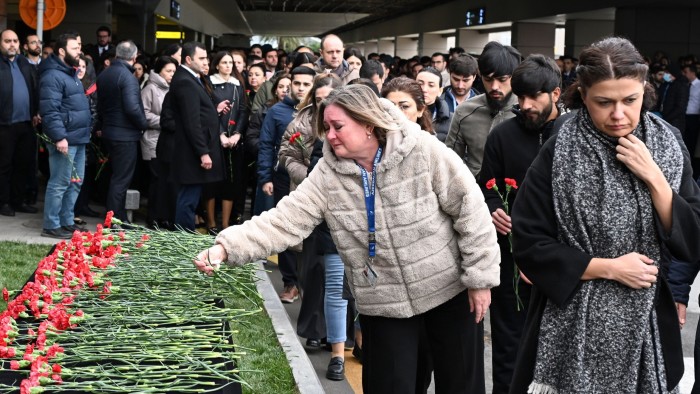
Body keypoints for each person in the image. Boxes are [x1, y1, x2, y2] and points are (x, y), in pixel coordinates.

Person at [194, 84, 500, 393]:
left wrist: (480, 278)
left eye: (338, 126)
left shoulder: (421, 148)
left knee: (461, 383)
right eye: (326, 127)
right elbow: (284, 220)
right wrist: (225, 248)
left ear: (368, 124)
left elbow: (470, 209)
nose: (330, 135)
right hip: (383, 302)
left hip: (449, 292)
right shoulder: (328, 173)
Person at [510, 37, 700, 394]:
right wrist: (608, 267)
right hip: (567, 323)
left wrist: (656, 180)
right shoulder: (560, 147)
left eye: (630, 100)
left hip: (649, 326)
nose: (618, 114)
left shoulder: (668, 144)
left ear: (644, 90)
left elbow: (694, 239)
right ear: (582, 96)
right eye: (604, 102)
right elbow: (529, 241)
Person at [479, 54, 564, 394]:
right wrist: (494, 207)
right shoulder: (502, 135)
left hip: (561, 264)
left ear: (556, 94)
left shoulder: (573, 135)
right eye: (521, 97)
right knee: (508, 349)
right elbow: (486, 186)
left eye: (535, 98)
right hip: (510, 263)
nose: (526, 105)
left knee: (556, 353)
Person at [277, 73, 346, 380]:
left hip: (343, 223)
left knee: (337, 287)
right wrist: (309, 179)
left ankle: (338, 346)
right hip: (310, 204)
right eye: (318, 100)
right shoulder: (302, 122)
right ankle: (317, 331)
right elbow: (285, 154)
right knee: (313, 274)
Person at [258, 66, 315, 303]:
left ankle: (309, 284)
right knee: (287, 228)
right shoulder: (277, 111)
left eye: (306, 84)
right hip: (283, 178)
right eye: (297, 83)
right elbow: (265, 144)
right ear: (290, 84)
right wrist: (265, 177)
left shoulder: (320, 111)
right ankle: (290, 283)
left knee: (311, 233)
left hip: (313, 181)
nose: (301, 88)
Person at [38, 33, 91, 238]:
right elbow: (50, 111)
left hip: (78, 138)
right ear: (62, 51)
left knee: (75, 182)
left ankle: (67, 221)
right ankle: (51, 225)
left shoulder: (71, 73)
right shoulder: (52, 75)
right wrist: (60, 137)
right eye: (75, 48)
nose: (79, 51)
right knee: (59, 183)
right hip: (65, 139)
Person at [168, 41, 225, 231]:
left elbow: (197, 113)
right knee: (188, 199)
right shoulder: (185, 81)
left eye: (206, 58)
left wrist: (213, 111)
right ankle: (182, 240)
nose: (205, 62)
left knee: (190, 196)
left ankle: (183, 238)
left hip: (192, 149)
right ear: (188, 59)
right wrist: (203, 152)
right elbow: (191, 122)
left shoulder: (192, 78)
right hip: (192, 152)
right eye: (201, 58)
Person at [445, 41, 521, 178]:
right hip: (474, 191)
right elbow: (450, 162)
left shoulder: (527, 111)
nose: (494, 86)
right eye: (488, 79)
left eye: (502, 79)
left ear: (514, 76)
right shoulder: (465, 111)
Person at [97, 40, 148, 224]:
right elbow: (133, 109)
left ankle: (117, 217)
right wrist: (143, 124)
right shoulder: (128, 77)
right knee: (121, 180)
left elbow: (100, 106)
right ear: (134, 58)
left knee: (116, 177)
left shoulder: (105, 74)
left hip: (109, 131)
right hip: (125, 135)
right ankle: (114, 220)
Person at [203, 51, 249, 233]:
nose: (229, 66)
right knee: (211, 183)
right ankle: (211, 223)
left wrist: (237, 134)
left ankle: (225, 224)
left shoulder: (238, 85)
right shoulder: (209, 83)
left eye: (231, 62)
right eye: (224, 62)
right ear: (217, 65)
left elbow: (244, 111)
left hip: (234, 142)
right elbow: (207, 113)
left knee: (231, 183)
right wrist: (220, 134)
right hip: (214, 141)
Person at [0, 29, 40, 217]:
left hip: (26, 123)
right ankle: (4, 202)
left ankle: (18, 200)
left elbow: (34, 88)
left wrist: (35, 111)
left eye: (15, 40)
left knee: (23, 164)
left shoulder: (25, 63)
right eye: (8, 41)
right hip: (4, 124)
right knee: (4, 165)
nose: (12, 44)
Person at [245, 73, 291, 217]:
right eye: (281, 87)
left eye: (288, 87)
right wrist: (269, 150)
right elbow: (251, 137)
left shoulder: (298, 111)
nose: (284, 90)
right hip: (267, 164)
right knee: (265, 210)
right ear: (275, 90)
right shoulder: (265, 110)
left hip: (287, 168)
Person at [140, 56, 177, 228]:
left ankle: (164, 216)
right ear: (159, 71)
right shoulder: (150, 88)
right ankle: (153, 216)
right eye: (168, 71)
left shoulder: (173, 89)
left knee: (166, 181)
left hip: (167, 142)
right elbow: (144, 115)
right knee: (156, 181)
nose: (171, 74)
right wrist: (165, 120)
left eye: (174, 71)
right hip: (152, 139)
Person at [416, 67, 451, 142]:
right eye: (420, 84)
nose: (424, 89)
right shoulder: (403, 114)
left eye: (431, 85)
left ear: (440, 91)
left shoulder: (451, 119)